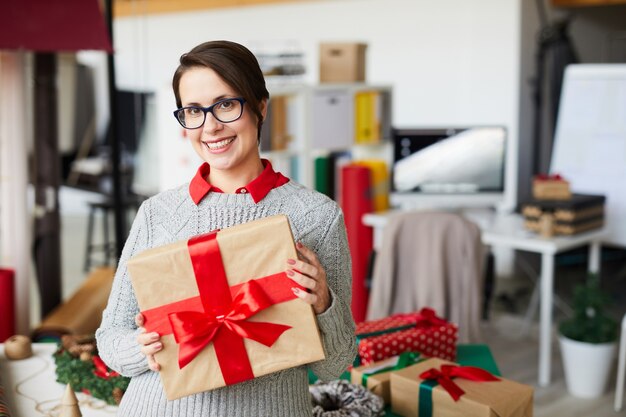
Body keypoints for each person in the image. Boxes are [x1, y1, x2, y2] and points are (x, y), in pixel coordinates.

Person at [96, 40, 356, 416]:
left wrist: (323, 305)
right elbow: (110, 338)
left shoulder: (316, 215)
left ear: (260, 107)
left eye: (226, 105)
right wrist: (145, 347)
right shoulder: (158, 213)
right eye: (193, 111)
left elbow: (335, 365)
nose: (211, 126)